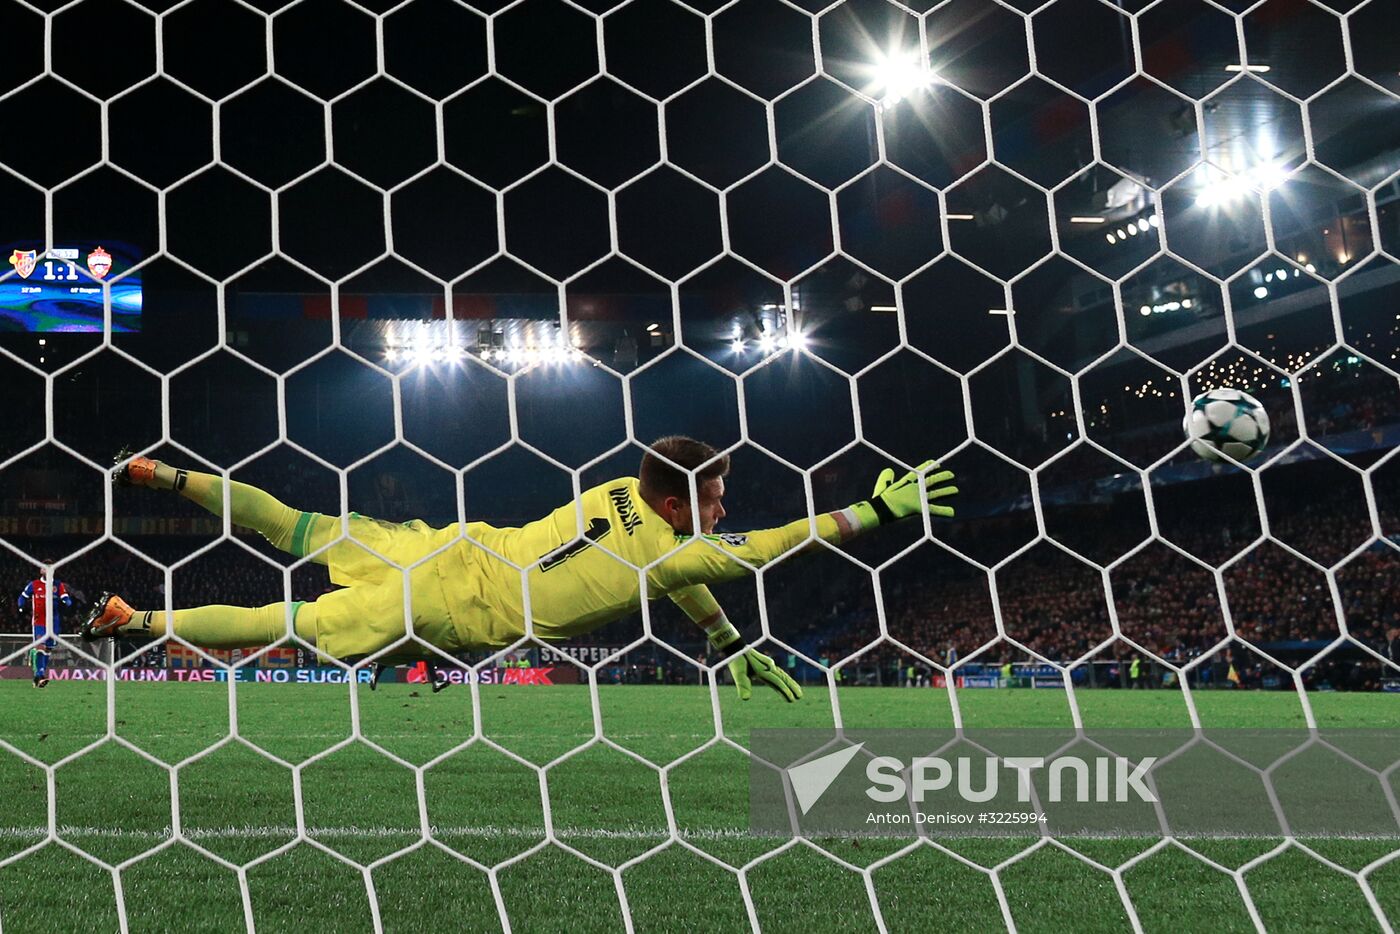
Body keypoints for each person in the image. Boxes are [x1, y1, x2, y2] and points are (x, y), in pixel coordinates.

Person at [81, 437, 957, 702]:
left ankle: (163, 473)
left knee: (297, 525)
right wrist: (872, 513)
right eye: (717, 499)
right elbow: (762, 549)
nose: (727, 512)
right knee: (290, 623)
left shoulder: (623, 489)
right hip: (453, 612)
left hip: (451, 543)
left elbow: (669, 572)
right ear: (679, 503)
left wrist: (725, 645)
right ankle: (143, 621)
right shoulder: (670, 543)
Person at [18, 573, 73, 688]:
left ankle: (38, 676)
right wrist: (21, 606)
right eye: (43, 567)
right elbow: (23, 596)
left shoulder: (58, 585)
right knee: (40, 646)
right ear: (40, 570)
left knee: (48, 649)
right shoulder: (34, 584)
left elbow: (65, 597)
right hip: (39, 622)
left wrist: (67, 602)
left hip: (54, 623)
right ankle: (40, 675)